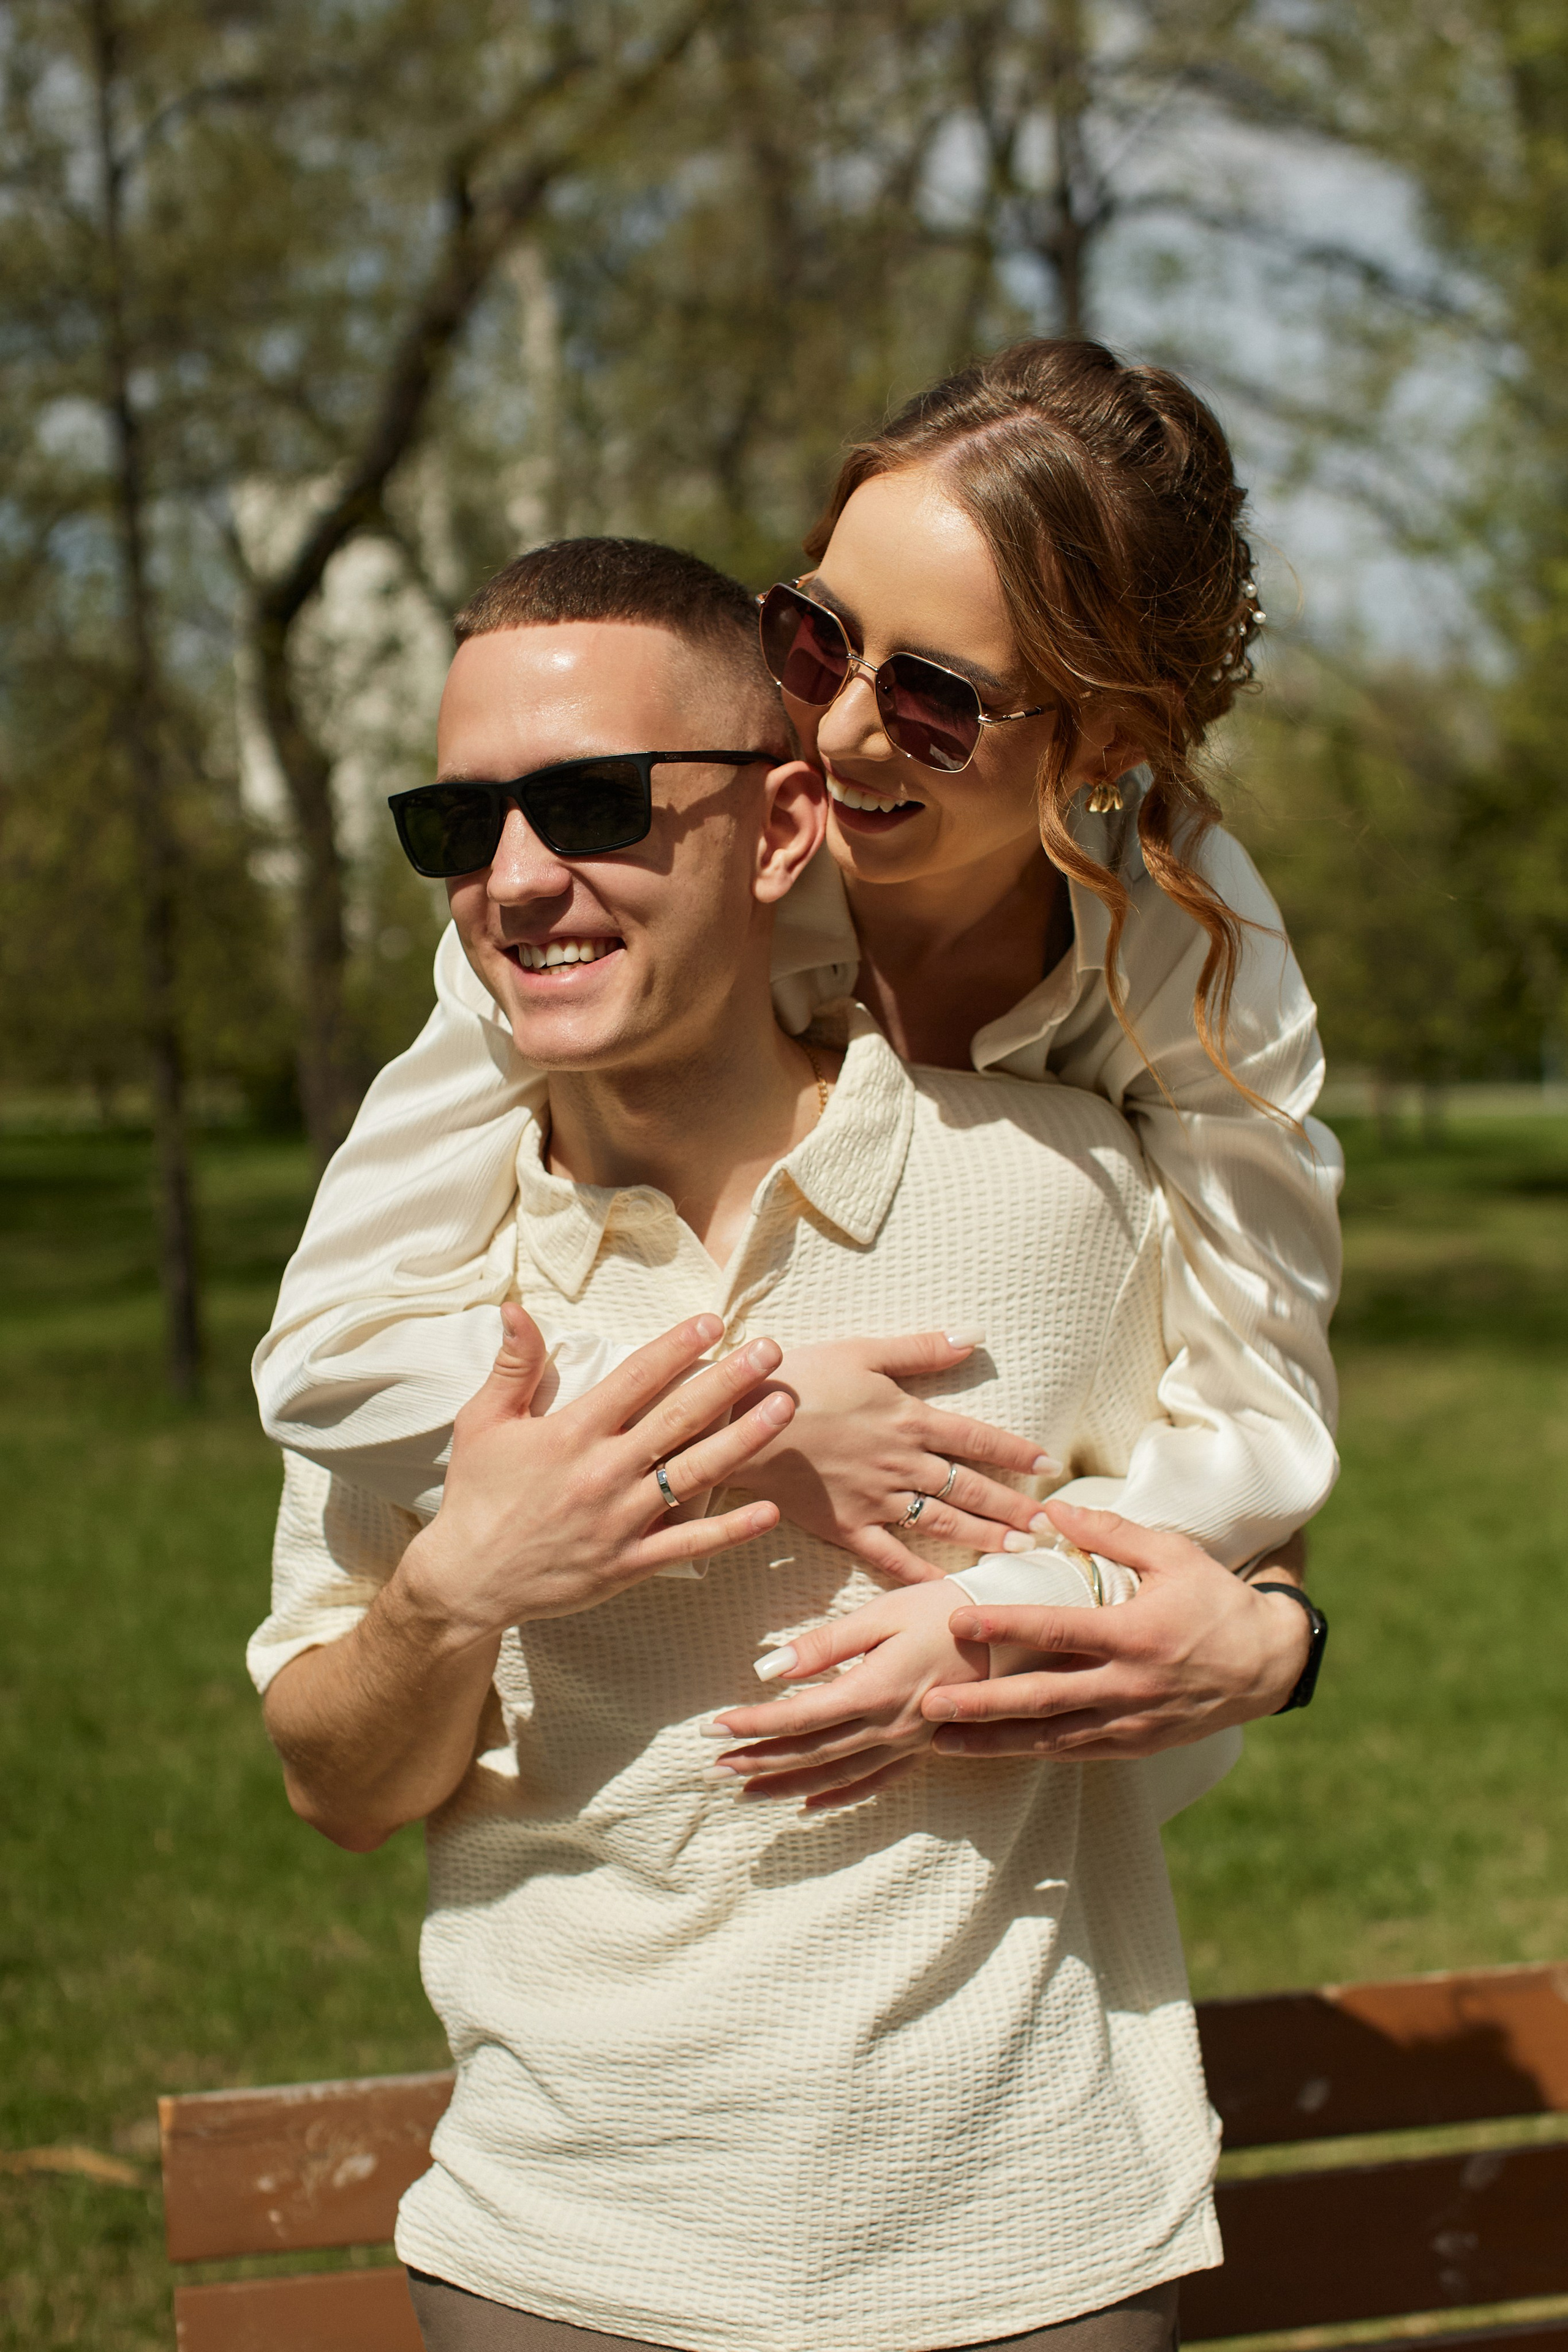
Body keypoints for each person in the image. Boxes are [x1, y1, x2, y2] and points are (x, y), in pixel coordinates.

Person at [252, 541, 1319, 2349]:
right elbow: (339, 1782)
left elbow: (1216, 1557)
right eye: (461, 824)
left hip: (1039, 2260)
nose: (520, 882)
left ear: (780, 828)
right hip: (562, 2268)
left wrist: (1278, 1637)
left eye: (593, 805)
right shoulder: (427, 1310)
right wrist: (452, 1596)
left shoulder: (1066, 1197)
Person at [254, 338, 1341, 1763]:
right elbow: (337, 1348)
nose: (829, 731)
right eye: (817, 637)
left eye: (933, 701)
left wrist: (1056, 1610)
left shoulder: (1198, 955)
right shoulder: (644, 869)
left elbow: (1255, 1429)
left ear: (1105, 739)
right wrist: (750, 1422)